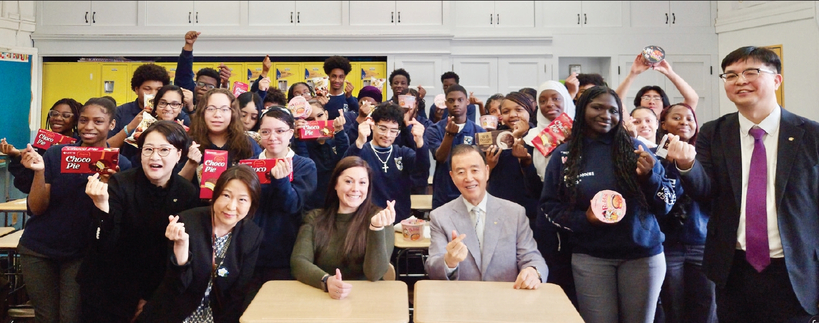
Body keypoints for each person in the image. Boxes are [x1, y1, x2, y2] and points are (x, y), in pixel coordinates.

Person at [670, 46, 819, 322]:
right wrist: (687, 166)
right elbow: (706, 192)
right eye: (731, 75)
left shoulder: (810, 134)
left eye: (751, 72)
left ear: (776, 80)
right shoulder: (715, 132)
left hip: (794, 270)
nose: (740, 81)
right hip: (733, 268)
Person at [540, 86, 675, 323]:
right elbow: (550, 206)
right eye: (597, 107)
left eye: (613, 110)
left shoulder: (638, 149)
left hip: (642, 257)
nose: (606, 115)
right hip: (591, 257)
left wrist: (649, 178)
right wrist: (585, 219)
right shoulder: (564, 155)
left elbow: (667, 203)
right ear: (582, 110)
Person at [19, 97, 133, 323]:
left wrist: (108, 183)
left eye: (98, 121)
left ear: (112, 125)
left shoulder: (121, 164)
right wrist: (39, 172)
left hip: (81, 254)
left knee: (71, 317)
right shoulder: (56, 154)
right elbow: (36, 208)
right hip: (38, 249)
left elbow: (114, 219)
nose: (88, 127)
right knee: (46, 318)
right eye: (83, 120)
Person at [78, 121, 200, 322]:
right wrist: (102, 207)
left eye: (164, 150)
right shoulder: (121, 183)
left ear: (179, 154)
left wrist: (150, 298)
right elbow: (105, 245)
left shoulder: (186, 192)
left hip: (158, 289)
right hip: (109, 288)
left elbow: (175, 252)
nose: (154, 157)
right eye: (148, 149)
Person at [137, 165, 264, 322]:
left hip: (217, 316)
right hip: (174, 314)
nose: (231, 206)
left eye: (242, 199)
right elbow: (176, 287)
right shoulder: (186, 223)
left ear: (252, 204)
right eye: (226, 195)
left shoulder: (252, 235)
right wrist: (181, 247)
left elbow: (238, 293)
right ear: (215, 195)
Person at [426, 144, 547, 286]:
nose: (469, 178)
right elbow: (432, 268)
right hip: (460, 302)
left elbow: (532, 257)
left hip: (507, 300)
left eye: (475, 170)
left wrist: (533, 272)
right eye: (461, 172)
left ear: (487, 171)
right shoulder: (440, 217)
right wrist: (449, 261)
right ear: (452, 177)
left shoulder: (515, 213)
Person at [291, 156, 395, 299]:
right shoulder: (315, 218)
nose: (355, 189)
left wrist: (376, 228)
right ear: (335, 184)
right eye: (348, 181)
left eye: (362, 182)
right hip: (322, 296)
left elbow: (374, 274)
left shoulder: (380, 218)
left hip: (368, 300)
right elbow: (299, 261)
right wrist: (326, 281)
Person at [653, 103, 716, 323]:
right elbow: (658, 198)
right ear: (663, 124)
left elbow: (710, 195)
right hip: (668, 244)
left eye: (689, 118)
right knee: (673, 309)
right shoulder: (654, 157)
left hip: (702, 242)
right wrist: (670, 163)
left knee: (706, 308)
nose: (684, 123)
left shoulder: (706, 155)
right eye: (676, 118)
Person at [246, 108, 317, 296]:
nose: (272, 137)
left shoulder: (304, 165)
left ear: (291, 133)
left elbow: (292, 206)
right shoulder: (249, 165)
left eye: (280, 131)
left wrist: (281, 180)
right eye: (265, 131)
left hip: (285, 251)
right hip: (249, 251)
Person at [344, 102, 429, 222]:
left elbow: (421, 174)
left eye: (393, 130)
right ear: (372, 124)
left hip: (399, 219)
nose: (387, 135)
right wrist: (359, 142)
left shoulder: (403, 153)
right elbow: (345, 171)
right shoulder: (361, 151)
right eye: (383, 128)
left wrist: (420, 143)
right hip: (366, 220)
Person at [180, 88, 263, 181]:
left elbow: (259, 183)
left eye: (224, 109)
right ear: (202, 112)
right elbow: (175, 188)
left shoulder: (248, 145)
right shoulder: (188, 144)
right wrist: (191, 164)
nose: (217, 114)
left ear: (233, 113)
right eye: (211, 109)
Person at [1, 98, 81, 194]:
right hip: (42, 203)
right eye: (54, 114)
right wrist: (17, 156)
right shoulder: (40, 146)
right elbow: (26, 185)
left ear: (76, 120)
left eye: (66, 115)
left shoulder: (82, 146)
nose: (58, 118)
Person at [485, 92, 541, 228]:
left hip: (529, 209)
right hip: (499, 206)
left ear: (529, 111)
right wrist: (490, 165)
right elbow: (483, 178)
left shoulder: (539, 137)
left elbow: (538, 182)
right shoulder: (494, 138)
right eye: (506, 111)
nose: (512, 115)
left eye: (519, 110)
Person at [425, 84, 486, 209]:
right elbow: (440, 158)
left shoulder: (479, 132)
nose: (456, 104)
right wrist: (449, 135)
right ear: (446, 103)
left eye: (460, 100)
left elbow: (485, 164)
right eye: (451, 101)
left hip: (471, 191)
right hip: (444, 192)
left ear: (467, 102)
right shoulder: (434, 130)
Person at [293, 104, 349, 211]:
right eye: (310, 119)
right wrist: (299, 137)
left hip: (337, 201)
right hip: (312, 205)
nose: (317, 121)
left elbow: (345, 161)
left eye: (320, 116)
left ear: (326, 114)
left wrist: (340, 131)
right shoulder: (302, 144)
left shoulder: (337, 138)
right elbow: (306, 169)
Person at [107, 63, 171, 150]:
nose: (154, 94)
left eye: (159, 90)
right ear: (136, 90)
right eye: (147, 89)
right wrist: (130, 127)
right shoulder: (120, 112)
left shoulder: (172, 111)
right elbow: (107, 147)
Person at [616, 54, 699, 117]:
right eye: (646, 97)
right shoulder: (631, 121)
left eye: (656, 98)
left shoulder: (671, 123)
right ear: (639, 102)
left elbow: (692, 99)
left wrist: (669, 73)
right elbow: (616, 101)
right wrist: (633, 74)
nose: (651, 102)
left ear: (664, 103)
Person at [174, 31, 231, 113]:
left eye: (210, 87)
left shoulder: (217, 112)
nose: (204, 88)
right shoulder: (186, 102)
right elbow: (183, 73)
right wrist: (188, 45)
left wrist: (225, 85)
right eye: (200, 84)